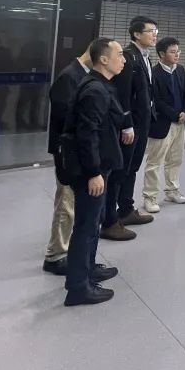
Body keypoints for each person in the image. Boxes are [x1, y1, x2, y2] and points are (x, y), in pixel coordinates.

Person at [64, 38, 125, 306]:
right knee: (86, 226)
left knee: (94, 221)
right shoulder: (94, 90)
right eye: (119, 54)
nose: (123, 60)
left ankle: (89, 269)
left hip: (101, 165)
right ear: (103, 59)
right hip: (92, 170)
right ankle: (78, 286)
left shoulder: (102, 85)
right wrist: (94, 172)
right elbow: (87, 134)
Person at [102, 16, 158, 240]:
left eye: (155, 31)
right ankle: (109, 219)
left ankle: (126, 210)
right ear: (136, 34)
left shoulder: (144, 57)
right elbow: (122, 94)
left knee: (132, 168)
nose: (154, 35)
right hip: (130, 126)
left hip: (142, 123)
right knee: (119, 172)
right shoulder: (128, 57)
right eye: (150, 31)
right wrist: (126, 125)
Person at [42, 44, 91, 276]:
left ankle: (67, 247)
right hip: (68, 150)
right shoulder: (69, 76)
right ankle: (56, 255)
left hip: (79, 148)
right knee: (66, 201)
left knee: (74, 201)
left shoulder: (85, 75)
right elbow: (67, 116)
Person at [142, 37, 185, 213]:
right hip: (162, 124)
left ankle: (172, 191)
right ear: (162, 54)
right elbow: (156, 100)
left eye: (178, 51)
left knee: (175, 159)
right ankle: (150, 197)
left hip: (180, 123)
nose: (177, 54)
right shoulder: (154, 73)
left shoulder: (180, 70)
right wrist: (175, 114)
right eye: (173, 52)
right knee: (154, 162)